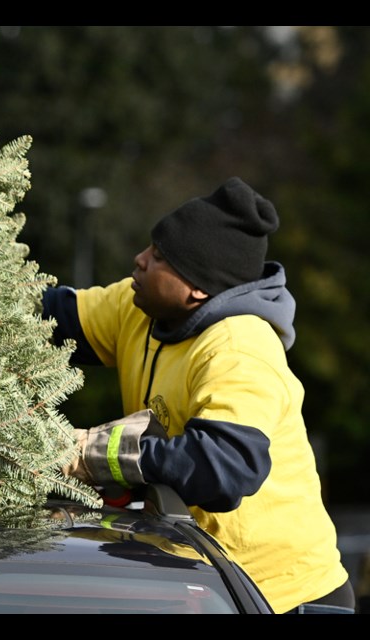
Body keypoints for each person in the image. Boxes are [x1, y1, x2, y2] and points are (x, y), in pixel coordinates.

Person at [44, 177, 354, 614]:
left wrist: (93, 453)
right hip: (201, 581)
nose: (140, 260)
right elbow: (50, 318)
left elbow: (223, 469)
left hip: (282, 596)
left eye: (160, 257)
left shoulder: (239, 347)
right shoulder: (139, 308)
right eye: (151, 246)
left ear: (199, 288)